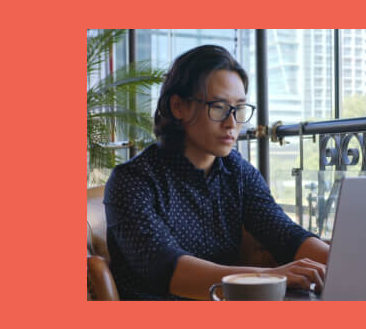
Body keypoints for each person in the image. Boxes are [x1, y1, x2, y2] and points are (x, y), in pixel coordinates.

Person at [104, 45, 330, 300]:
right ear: (178, 106)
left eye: (239, 109)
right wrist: (271, 277)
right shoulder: (132, 181)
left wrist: (344, 264)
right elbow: (168, 270)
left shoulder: (236, 170)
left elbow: (286, 235)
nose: (232, 123)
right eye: (219, 107)